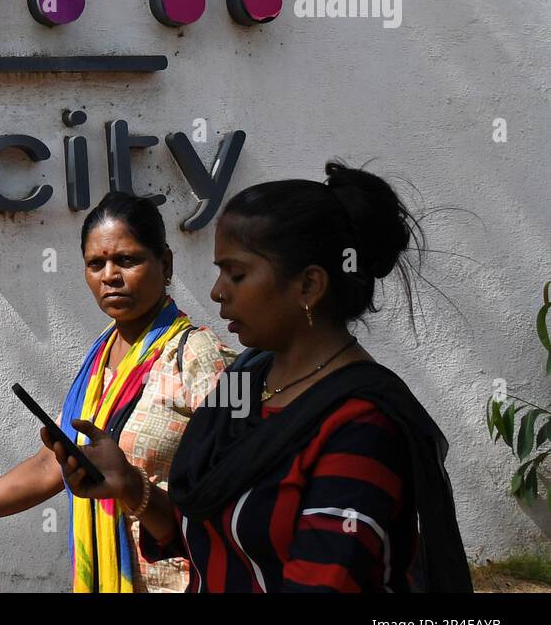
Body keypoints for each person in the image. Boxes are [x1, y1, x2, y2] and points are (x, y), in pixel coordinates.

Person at [45, 161, 472, 592]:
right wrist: (130, 487)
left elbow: (327, 579)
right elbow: (201, 528)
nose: (217, 291)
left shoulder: (361, 427)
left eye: (237, 274)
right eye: (219, 272)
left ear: (308, 286)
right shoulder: (244, 382)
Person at [0, 191, 236, 592]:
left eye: (126, 260)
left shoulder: (198, 356)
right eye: (96, 264)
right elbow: (49, 465)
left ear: (165, 264)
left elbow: (245, 479)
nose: (110, 275)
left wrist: (135, 489)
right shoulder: (101, 359)